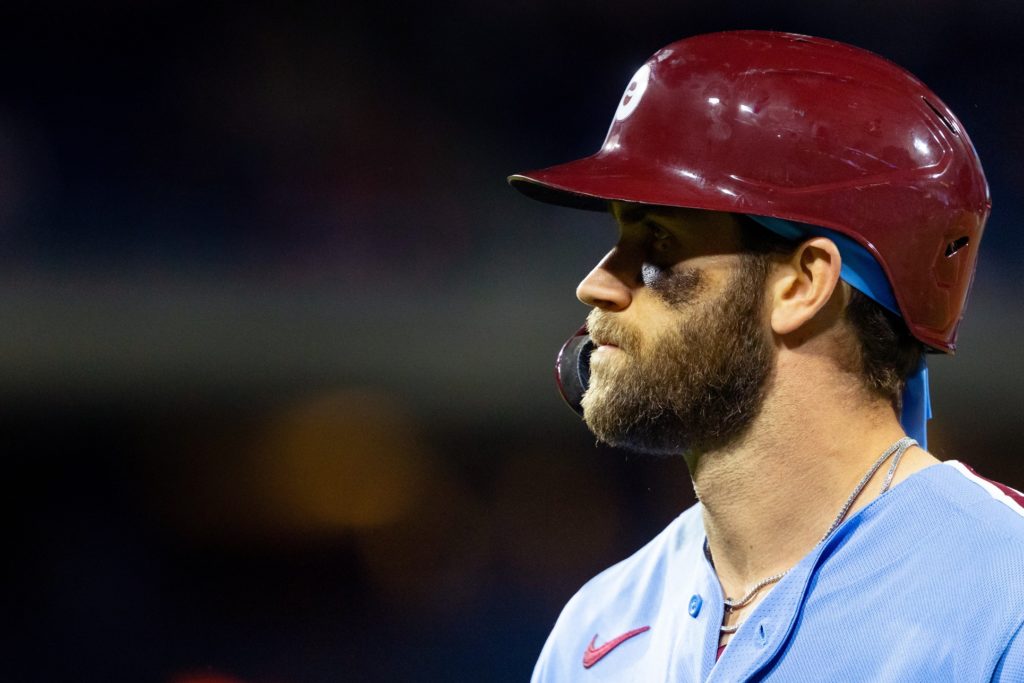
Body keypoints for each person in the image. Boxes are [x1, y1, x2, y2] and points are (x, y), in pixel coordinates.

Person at [509, 31, 1024, 681]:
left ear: (802, 284)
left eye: (658, 241)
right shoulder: (597, 629)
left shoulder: (1005, 597)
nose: (596, 284)